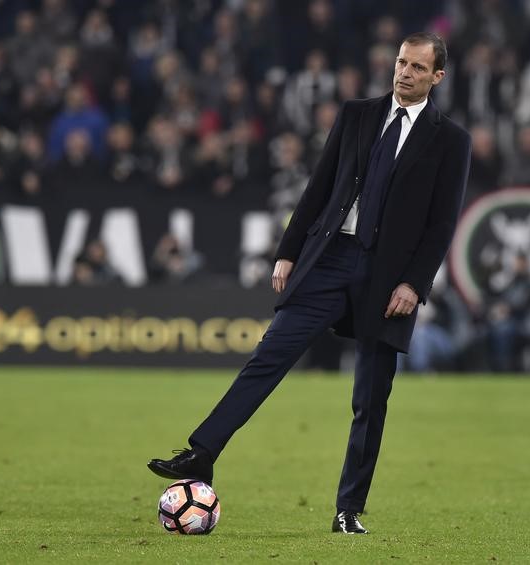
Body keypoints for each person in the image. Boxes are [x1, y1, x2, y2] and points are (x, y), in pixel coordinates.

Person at [147, 33, 471, 534]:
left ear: (438, 77)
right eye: (400, 62)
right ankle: (202, 452)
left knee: (369, 399)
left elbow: (442, 224)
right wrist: (288, 251)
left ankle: (348, 510)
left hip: (387, 280)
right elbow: (320, 186)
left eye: (416, 67)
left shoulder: (450, 140)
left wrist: (413, 283)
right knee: (268, 356)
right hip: (331, 258)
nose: (403, 72)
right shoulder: (357, 114)